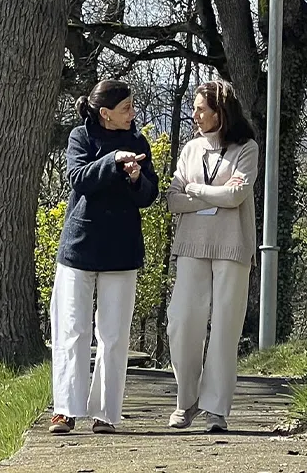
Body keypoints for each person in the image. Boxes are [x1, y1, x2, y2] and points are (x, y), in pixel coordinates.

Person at [48, 80, 159, 435]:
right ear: (105, 114)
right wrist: (112, 161)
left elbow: (149, 195)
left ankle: (106, 413)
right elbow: (79, 179)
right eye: (127, 108)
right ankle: (65, 409)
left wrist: (136, 177)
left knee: (113, 336)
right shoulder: (80, 137)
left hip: (122, 250)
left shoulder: (138, 141)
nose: (133, 113)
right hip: (79, 247)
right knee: (73, 330)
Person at [165, 79, 259, 433]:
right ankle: (186, 400)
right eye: (194, 109)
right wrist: (214, 194)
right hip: (192, 244)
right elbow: (173, 200)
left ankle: (216, 409)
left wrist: (195, 190)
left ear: (221, 112)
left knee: (224, 328)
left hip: (232, 246)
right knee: (181, 321)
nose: (195, 115)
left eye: (201, 109)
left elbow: (236, 196)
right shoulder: (190, 150)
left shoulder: (246, 148)